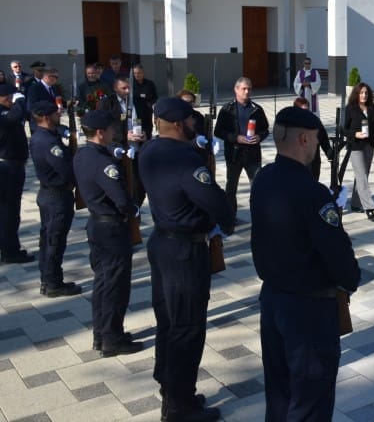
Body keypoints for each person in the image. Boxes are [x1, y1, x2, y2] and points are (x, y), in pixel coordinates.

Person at [250, 106, 360, 421]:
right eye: (315, 139)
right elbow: (339, 257)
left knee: (280, 393)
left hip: (273, 299)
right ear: (303, 139)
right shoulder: (313, 193)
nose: (316, 146)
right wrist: (351, 278)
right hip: (308, 311)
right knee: (311, 401)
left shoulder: (263, 178)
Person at [140, 97, 234, 422]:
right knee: (188, 327)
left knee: (168, 322)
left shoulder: (149, 150)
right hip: (184, 252)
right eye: (192, 120)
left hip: (162, 243)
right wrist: (226, 220)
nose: (196, 124)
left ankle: (172, 389)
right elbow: (216, 202)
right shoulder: (185, 158)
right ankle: (179, 407)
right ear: (179, 124)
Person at [73, 109, 142, 356]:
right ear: (101, 133)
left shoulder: (83, 154)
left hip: (97, 224)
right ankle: (113, 338)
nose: (115, 132)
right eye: (112, 129)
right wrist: (134, 210)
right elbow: (121, 200)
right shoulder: (103, 164)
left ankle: (101, 334)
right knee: (115, 285)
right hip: (112, 228)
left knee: (103, 282)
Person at [30, 100, 80, 297]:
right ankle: (53, 283)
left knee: (49, 239)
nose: (58, 114)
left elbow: (59, 130)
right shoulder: (49, 143)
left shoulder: (41, 135)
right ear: (45, 117)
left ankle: (48, 279)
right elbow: (66, 169)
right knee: (55, 241)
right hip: (56, 196)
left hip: (48, 194)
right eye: (55, 113)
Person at [214, 77, 270, 216]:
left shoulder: (257, 109)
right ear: (236, 89)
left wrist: (259, 137)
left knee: (257, 186)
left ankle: (258, 215)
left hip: (252, 154)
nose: (247, 92)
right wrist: (236, 138)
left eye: (249, 89)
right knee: (231, 187)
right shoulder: (227, 109)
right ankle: (230, 216)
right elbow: (218, 131)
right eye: (244, 89)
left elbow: (265, 129)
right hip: (234, 154)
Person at [98, 78, 148, 207]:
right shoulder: (107, 103)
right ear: (115, 88)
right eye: (123, 88)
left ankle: (136, 208)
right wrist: (124, 136)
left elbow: (147, 120)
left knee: (139, 185)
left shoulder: (138, 101)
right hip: (118, 150)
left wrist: (145, 134)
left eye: (129, 88)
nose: (127, 91)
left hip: (137, 149)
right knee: (121, 184)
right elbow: (104, 126)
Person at [343, 82, 374, 221]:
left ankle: (356, 203)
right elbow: (343, 129)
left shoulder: (371, 107)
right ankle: (369, 208)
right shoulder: (350, 108)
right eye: (361, 93)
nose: (364, 95)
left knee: (362, 175)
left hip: (369, 146)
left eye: (366, 93)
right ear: (356, 94)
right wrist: (355, 134)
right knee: (362, 175)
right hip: (355, 146)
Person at [0, 84, 34, 264]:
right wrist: (20, 99)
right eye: (8, 97)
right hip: (7, 168)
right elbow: (14, 117)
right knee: (9, 211)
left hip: (13, 166)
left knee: (10, 211)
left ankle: (9, 247)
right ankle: (9, 251)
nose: (10, 100)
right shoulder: (4, 114)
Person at [293, 96, 333, 182]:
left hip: (314, 163)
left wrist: (329, 153)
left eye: (307, 110)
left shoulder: (315, 121)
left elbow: (324, 139)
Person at [26, 66, 63, 132]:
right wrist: (51, 108)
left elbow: (57, 100)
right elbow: (31, 107)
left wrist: (66, 104)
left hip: (53, 122)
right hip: (40, 124)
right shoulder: (34, 88)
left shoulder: (54, 88)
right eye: (55, 77)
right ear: (47, 77)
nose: (57, 79)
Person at [132, 64, 158, 140]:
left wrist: (151, 104)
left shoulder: (150, 84)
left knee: (148, 132)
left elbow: (155, 97)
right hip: (136, 114)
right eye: (135, 73)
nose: (137, 75)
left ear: (143, 73)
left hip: (147, 113)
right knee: (137, 132)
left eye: (139, 73)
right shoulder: (131, 84)